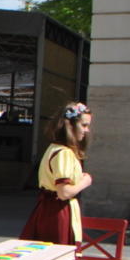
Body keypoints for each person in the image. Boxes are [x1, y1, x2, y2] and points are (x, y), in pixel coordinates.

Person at [20, 102, 94, 245]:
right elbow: (64, 192)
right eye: (84, 125)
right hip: (58, 213)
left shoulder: (53, 148)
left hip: (48, 210)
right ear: (70, 125)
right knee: (59, 252)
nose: (87, 130)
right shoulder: (64, 153)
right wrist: (85, 182)